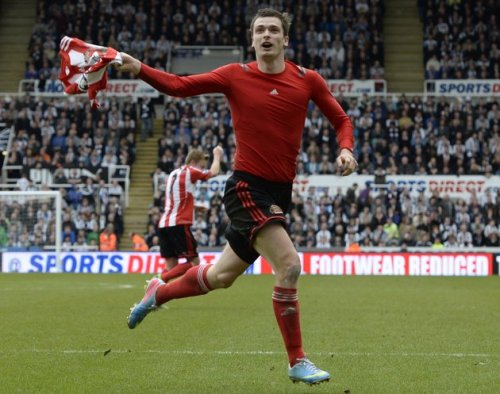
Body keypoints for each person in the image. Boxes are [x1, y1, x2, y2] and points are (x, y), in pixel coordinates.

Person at [122, 8, 357, 385]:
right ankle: (297, 361)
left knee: (221, 276)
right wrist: (139, 68)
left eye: (273, 30)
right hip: (247, 187)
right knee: (290, 265)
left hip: (280, 192)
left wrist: (346, 148)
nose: (266, 35)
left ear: (285, 40)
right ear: (252, 40)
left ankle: (158, 293)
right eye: (260, 30)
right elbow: (179, 87)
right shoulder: (235, 75)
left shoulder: (307, 79)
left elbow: (342, 119)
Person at [157, 146, 223, 283]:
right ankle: (160, 278)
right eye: (201, 166)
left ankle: (154, 295)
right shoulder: (190, 171)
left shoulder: (173, 173)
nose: (201, 169)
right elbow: (213, 172)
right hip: (179, 224)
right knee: (194, 262)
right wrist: (217, 155)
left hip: (164, 224)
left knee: (170, 266)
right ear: (193, 162)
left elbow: (177, 199)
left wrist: (195, 207)